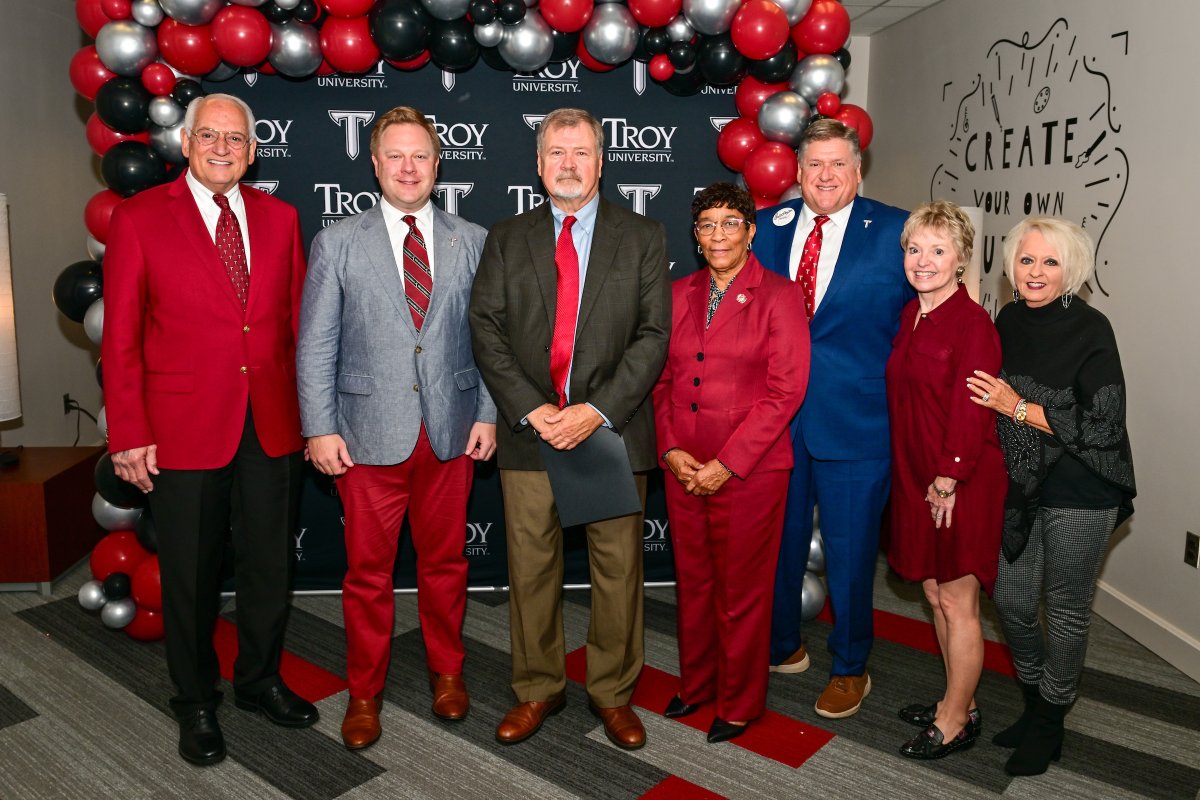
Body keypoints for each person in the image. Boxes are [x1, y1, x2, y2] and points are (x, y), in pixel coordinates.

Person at [102, 93, 317, 766]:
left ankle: (257, 680)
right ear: (186, 144)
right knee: (191, 575)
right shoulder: (138, 220)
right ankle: (195, 700)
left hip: (273, 423)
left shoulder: (281, 219)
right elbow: (123, 341)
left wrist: (313, 419)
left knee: (268, 566)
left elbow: (298, 329)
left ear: (253, 152)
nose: (222, 148)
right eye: (209, 136)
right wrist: (129, 432)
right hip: (181, 426)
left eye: (236, 139)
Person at [469, 107, 670, 750]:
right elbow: (487, 329)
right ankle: (538, 689)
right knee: (530, 570)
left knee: (618, 572)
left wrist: (595, 411)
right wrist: (533, 409)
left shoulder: (642, 236)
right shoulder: (506, 236)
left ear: (601, 160)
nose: (568, 164)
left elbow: (652, 336)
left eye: (580, 152)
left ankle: (612, 694)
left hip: (611, 431)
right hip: (531, 432)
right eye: (556, 152)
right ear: (538, 163)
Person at [296, 106, 496, 751]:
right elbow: (315, 344)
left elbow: (492, 342)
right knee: (366, 577)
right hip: (365, 436)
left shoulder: (473, 239)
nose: (409, 168)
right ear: (375, 162)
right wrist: (319, 427)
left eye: (421, 156)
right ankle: (363, 691)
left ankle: (448, 671)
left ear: (439, 165)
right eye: (395, 156)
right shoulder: (337, 242)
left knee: (445, 566)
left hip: (451, 431)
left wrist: (489, 413)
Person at [754, 119, 913, 718]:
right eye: (814, 164)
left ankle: (850, 666)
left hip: (858, 421)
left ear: (858, 171)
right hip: (776, 424)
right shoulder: (766, 228)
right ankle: (783, 645)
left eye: (838, 164)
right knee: (780, 544)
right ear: (797, 172)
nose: (825, 176)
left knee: (849, 555)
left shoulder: (898, 231)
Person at [966, 217, 1135, 776]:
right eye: (1026, 260)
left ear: (1072, 270)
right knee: (1011, 603)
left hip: (1084, 487)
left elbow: (1104, 425)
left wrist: (1018, 406)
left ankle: (1049, 720)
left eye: (1050, 262)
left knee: (1064, 609)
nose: (1035, 272)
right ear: (1011, 266)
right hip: (1023, 482)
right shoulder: (1008, 318)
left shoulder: (1093, 328)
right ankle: (1040, 698)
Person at [653, 183, 809, 743]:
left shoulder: (779, 296)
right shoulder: (676, 294)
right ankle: (697, 685)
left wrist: (727, 461)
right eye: (707, 225)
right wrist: (670, 449)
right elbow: (662, 381)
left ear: (751, 230)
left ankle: (740, 702)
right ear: (696, 237)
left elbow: (785, 391)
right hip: (683, 465)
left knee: (742, 590)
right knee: (693, 583)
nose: (718, 234)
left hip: (751, 469)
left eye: (730, 223)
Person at [884, 201, 1006, 759]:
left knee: (958, 602)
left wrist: (947, 478)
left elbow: (973, 410)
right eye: (914, 249)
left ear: (961, 259)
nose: (923, 260)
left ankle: (955, 719)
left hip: (958, 481)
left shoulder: (973, 323)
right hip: (917, 475)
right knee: (933, 593)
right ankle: (960, 699)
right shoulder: (913, 314)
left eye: (937, 250)